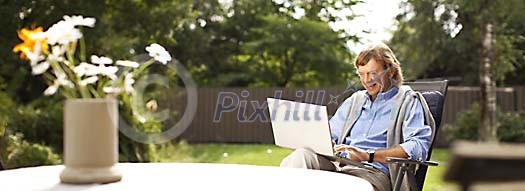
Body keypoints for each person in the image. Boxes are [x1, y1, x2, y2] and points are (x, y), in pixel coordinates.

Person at [280, 43, 433, 191]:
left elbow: (418, 146)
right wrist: (324, 142)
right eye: (362, 74)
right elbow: (330, 134)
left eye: (373, 73)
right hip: (341, 166)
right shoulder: (355, 100)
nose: (367, 80)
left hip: (372, 173)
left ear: (391, 71)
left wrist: (368, 155)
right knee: (301, 157)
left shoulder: (407, 101)